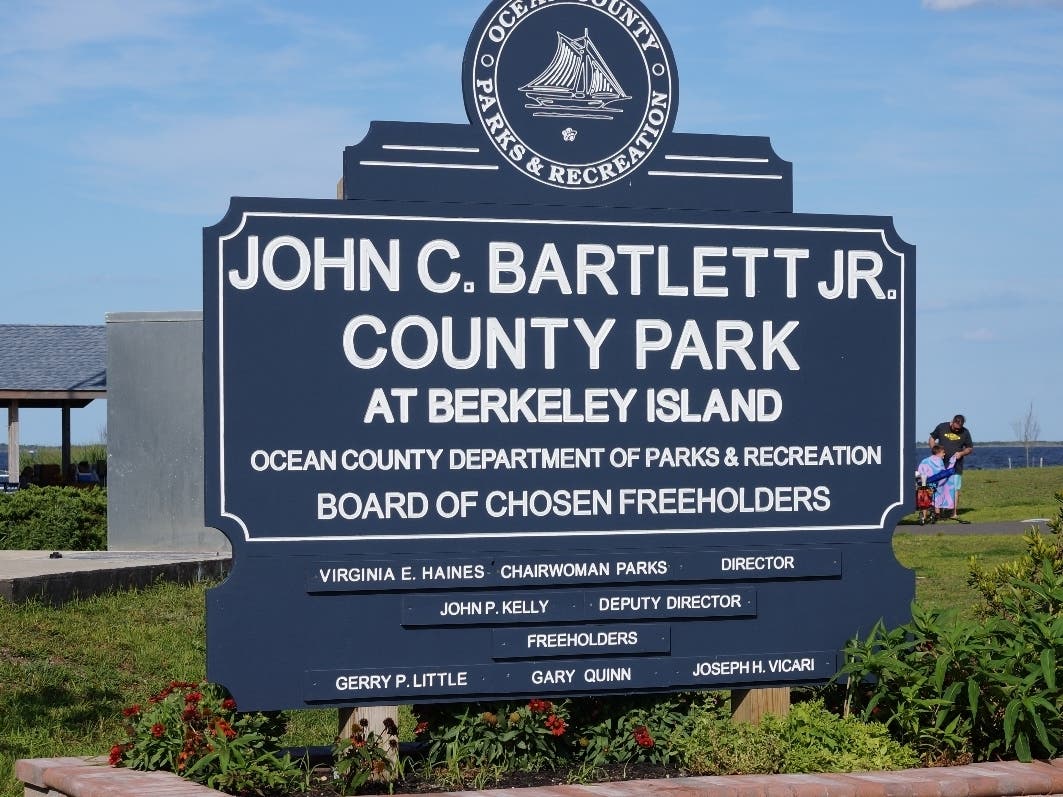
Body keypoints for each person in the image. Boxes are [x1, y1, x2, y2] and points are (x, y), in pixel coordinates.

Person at [928, 414, 973, 519]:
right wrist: (935, 452)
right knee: (939, 487)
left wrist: (961, 453)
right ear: (952, 422)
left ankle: (954, 513)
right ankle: (939, 512)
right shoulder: (942, 427)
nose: (956, 430)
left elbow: (969, 448)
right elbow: (932, 438)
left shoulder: (965, 432)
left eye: (959, 429)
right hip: (939, 465)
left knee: (955, 488)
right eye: (955, 428)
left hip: (956, 466)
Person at [916, 445, 956, 524]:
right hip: (935, 484)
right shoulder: (939, 461)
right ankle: (937, 515)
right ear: (939, 453)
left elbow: (920, 471)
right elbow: (941, 474)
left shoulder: (925, 460)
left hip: (924, 483)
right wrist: (952, 463)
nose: (944, 454)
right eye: (943, 452)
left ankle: (924, 517)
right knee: (938, 495)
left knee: (924, 496)